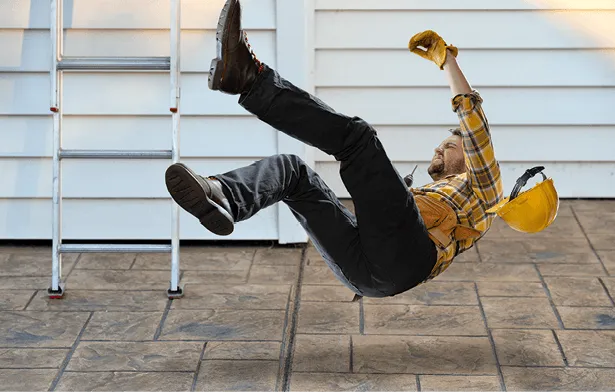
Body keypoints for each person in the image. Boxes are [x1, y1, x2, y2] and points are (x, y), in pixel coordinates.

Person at [164, 0, 555, 300]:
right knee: (291, 172)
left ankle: (249, 79)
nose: (439, 146)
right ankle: (224, 196)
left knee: (359, 140)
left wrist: (448, 61)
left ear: (469, 158)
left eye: (449, 145)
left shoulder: (484, 190)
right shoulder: (428, 198)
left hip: (408, 258)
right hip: (368, 274)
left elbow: (474, 125)